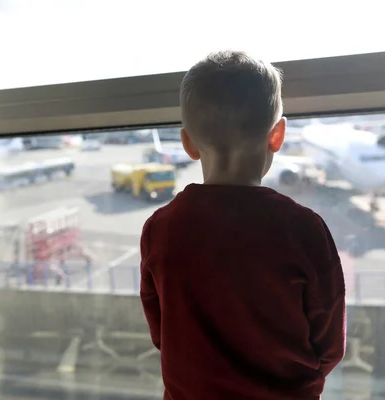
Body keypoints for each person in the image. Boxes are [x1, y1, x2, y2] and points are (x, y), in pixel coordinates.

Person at [139, 50, 346, 400]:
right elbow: (328, 347)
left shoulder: (160, 228)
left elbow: (162, 334)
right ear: (276, 135)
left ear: (187, 142)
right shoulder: (304, 229)